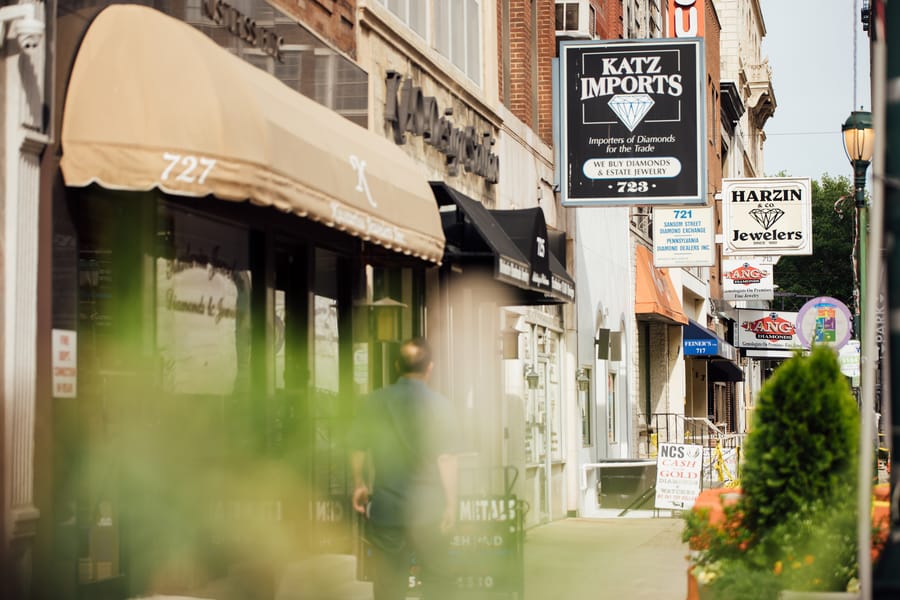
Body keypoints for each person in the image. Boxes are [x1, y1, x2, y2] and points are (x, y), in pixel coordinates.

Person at [350, 337, 459, 600]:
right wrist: (451, 504)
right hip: (429, 510)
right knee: (437, 582)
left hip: (388, 510)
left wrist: (359, 484)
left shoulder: (373, 402)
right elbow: (446, 458)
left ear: (398, 365)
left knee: (388, 585)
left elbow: (358, 448)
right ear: (429, 368)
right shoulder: (441, 405)